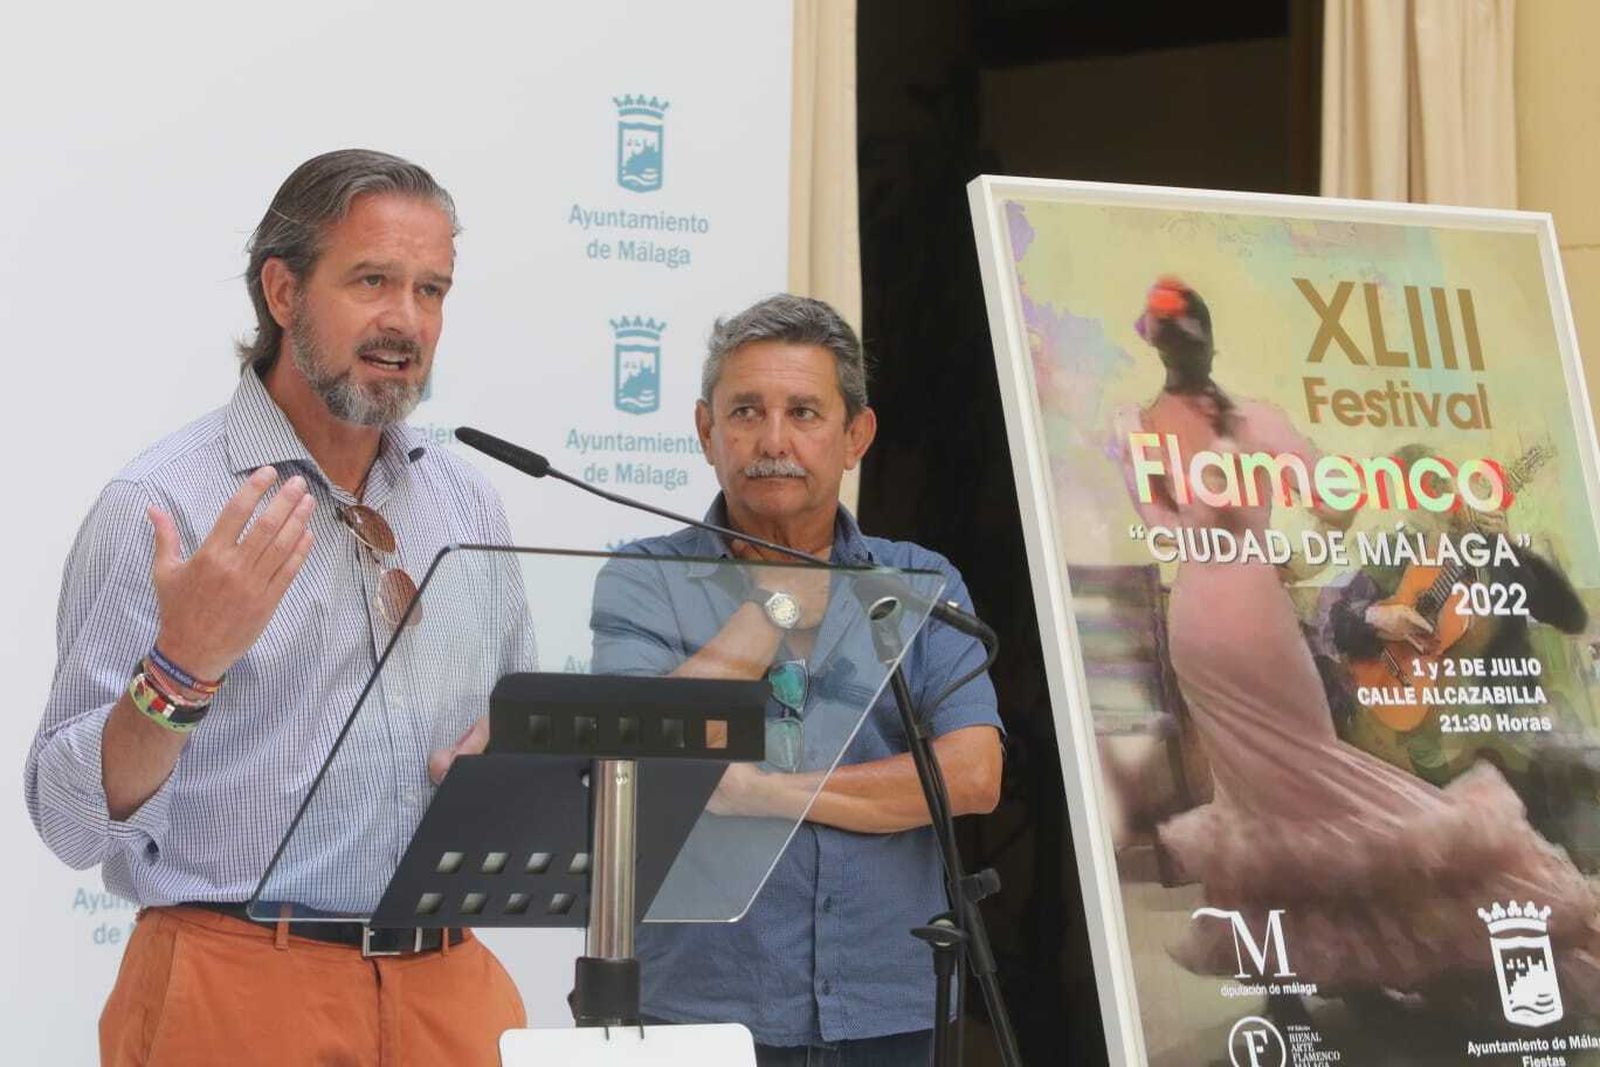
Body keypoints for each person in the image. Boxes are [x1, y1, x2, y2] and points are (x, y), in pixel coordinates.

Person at [25, 149, 529, 1065]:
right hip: (239, 985)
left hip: (450, 990)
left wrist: (508, 748)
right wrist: (180, 669)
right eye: (373, 280)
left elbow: (513, 720)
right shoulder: (167, 504)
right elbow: (69, 820)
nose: (407, 321)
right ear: (283, 291)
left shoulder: (468, 506)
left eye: (432, 290)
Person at [1114, 276, 1600, 1004]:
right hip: (1214, 624)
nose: (1189, 345)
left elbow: (1332, 509)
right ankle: (1300, 979)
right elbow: (1169, 526)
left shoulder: (1254, 420)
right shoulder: (1155, 424)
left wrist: (1298, 478)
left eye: (1195, 332)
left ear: (1206, 339)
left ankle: (1361, 957)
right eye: (1178, 333)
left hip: (1244, 616)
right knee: (1255, 800)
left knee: (1307, 783)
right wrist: (1233, 476)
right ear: (1162, 343)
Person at [590, 294, 1004, 1064]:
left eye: (805, 412)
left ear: (856, 436)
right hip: (699, 1005)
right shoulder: (646, 575)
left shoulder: (919, 581)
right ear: (706, 431)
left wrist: (767, 793)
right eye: (745, 410)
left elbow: (974, 776)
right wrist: (774, 606)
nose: (773, 440)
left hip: (888, 1003)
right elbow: (647, 758)